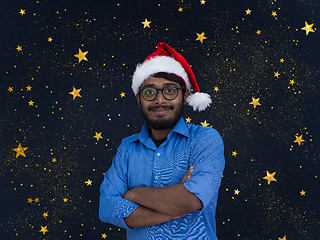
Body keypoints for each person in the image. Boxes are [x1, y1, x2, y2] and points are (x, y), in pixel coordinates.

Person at [99, 42, 225, 239]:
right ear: (139, 99)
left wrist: (134, 194)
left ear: (185, 96)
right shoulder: (127, 149)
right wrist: (175, 204)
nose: (159, 100)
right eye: (149, 92)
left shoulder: (205, 139)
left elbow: (191, 201)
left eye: (170, 90)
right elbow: (107, 208)